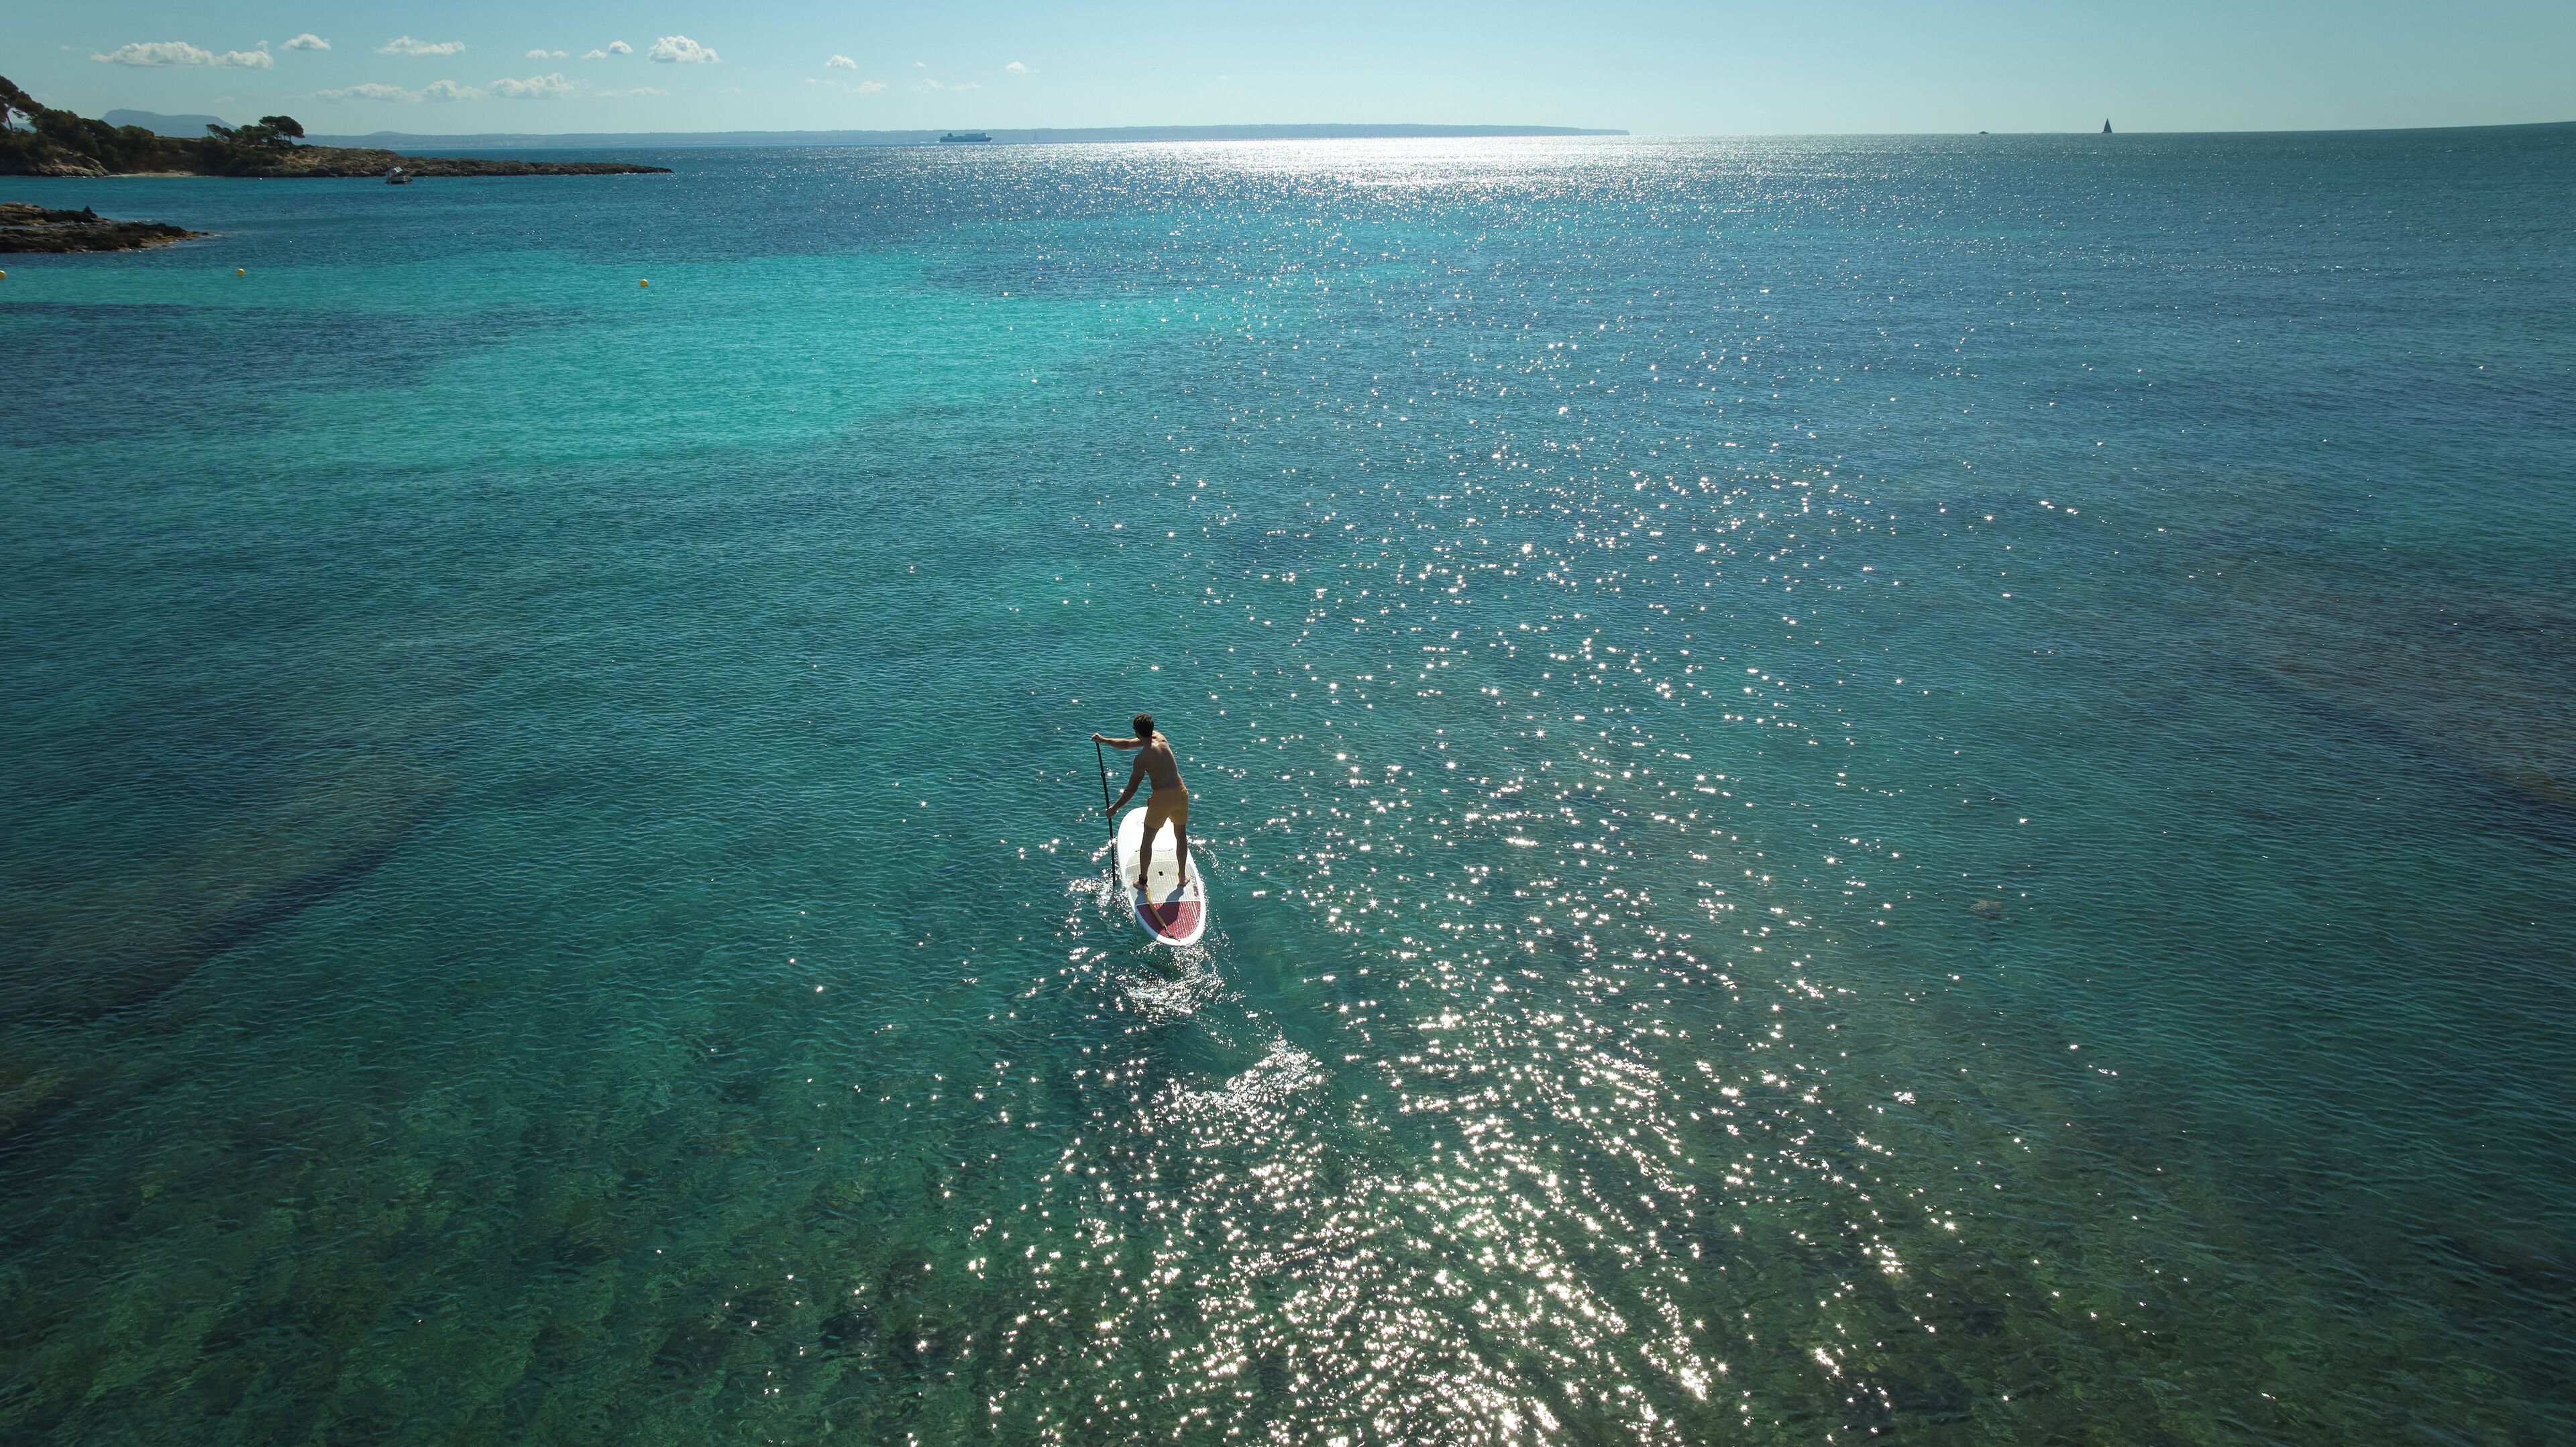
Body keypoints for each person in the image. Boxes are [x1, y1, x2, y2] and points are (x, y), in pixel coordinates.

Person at [1094, 713, 1189, 892]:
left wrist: (1114, 809)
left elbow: (1131, 790)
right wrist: (1105, 741)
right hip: (1181, 792)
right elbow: (1128, 744)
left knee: (1147, 840)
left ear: (1137, 732)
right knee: (1180, 835)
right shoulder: (1160, 737)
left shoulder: (1142, 759)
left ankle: (1143, 881)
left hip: (1162, 799)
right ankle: (1182, 877)